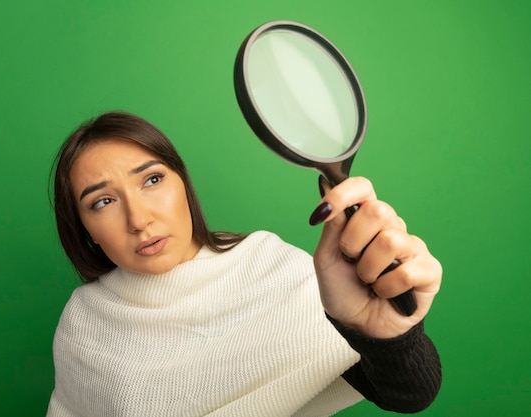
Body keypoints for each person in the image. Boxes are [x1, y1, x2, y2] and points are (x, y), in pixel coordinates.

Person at [46, 111, 442, 417]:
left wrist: (391, 336)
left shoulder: (271, 268)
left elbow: (407, 392)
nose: (138, 219)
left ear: (183, 183)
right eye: (102, 202)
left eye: (151, 180)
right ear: (86, 230)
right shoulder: (84, 324)